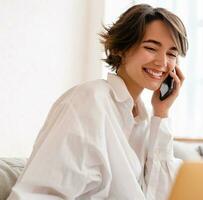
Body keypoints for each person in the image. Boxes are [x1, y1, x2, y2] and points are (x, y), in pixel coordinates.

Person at [8, 3, 188, 200]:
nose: (162, 62)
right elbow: (40, 194)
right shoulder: (89, 101)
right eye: (151, 48)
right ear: (121, 48)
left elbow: (159, 193)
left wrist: (161, 113)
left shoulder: (143, 119)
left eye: (172, 54)